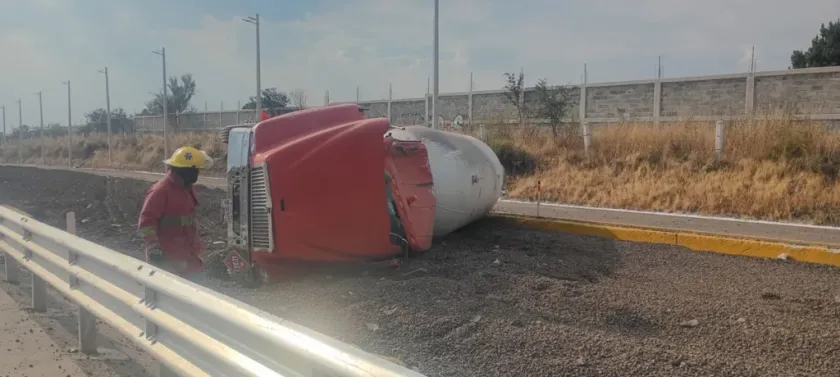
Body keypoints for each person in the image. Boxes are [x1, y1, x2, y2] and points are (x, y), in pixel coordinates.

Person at [137, 146, 214, 280]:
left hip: (189, 255)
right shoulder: (160, 191)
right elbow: (146, 223)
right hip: (169, 260)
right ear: (184, 171)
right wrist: (153, 246)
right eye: (194, 170)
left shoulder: (187, 188)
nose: (197, 174)